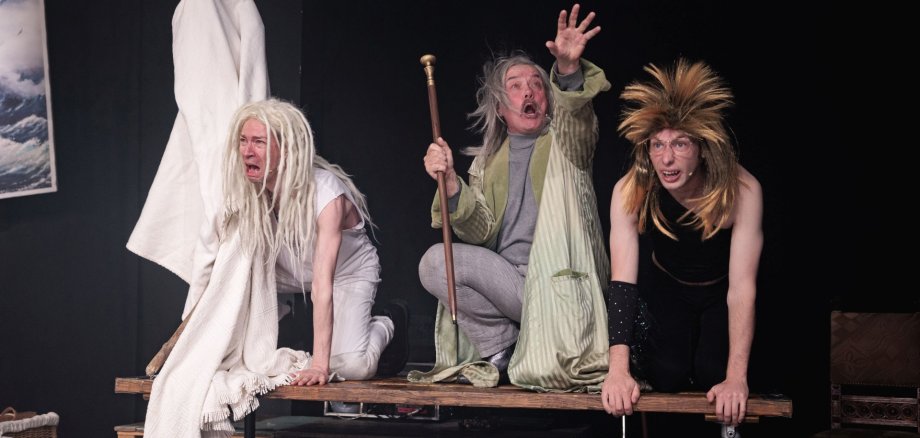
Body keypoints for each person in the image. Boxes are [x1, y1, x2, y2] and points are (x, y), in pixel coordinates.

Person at [416, 4, 612, 389]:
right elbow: (480, 233)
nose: (530, 92)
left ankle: (518, 344)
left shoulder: (565, 143)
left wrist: (569, 71)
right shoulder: (488, 163)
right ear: (500, 108)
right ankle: (502, 347)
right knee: (434, 263)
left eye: (536, 84)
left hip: (558, 290)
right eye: (517, 86)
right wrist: (453, 186)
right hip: (513, 288)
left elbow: (580, 122)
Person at [600, 59, 762, 432]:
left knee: (713, 374)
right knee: (667, 374)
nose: (666, 158)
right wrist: (618, 371)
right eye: (657, 145)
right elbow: (622, 282)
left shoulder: (743, 190)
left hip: (719, 292)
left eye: (679, 143)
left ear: (702, 148)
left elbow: (742, 289)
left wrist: (736, 377)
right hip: (667, 288)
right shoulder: (632, 188)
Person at [225, 98, 406, 384]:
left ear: (285, 149)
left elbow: (323, 285)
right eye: (243, 141)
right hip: (291, 270)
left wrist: (320, 366)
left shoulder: (325, 193)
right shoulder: (248, 191)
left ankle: (388, 321)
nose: (248, 151)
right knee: (233, 272)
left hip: (345, 273)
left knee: (352, 368)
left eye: (258, 142)